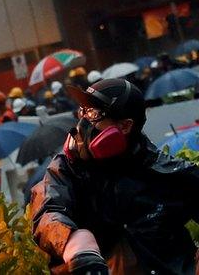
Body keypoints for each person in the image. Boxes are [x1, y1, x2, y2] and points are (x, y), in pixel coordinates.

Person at [31, 79, 199, 274]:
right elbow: (48, 211)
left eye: (94, 113)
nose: (83, 122)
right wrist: (75, 243)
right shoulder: (67, 170)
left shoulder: (164, 171)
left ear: (125, 126)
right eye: (83, 110)